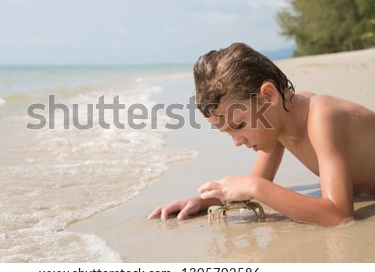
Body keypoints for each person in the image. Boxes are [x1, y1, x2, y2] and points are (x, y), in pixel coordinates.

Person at [148, 42, 375, 227]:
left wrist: (253, 186)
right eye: (227, 132)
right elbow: (259, 182)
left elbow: (338, 215)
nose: (237, 142)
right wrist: (205, 201)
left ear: (268, 96)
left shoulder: (321, 117)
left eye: (239, 125)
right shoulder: (280, 121)